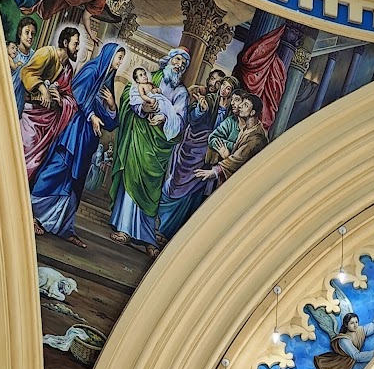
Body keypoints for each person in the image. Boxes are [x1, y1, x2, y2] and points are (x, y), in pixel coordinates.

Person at [29, 41, 125, 244]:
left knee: (75, 182)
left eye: (122, 58)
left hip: (88, 139)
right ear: (109, 55)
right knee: (57, 170)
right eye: (119, 56)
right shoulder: (91, 70)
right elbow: (78, 95)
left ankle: (63, 227)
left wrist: (111, 105)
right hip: (75, 131)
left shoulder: (107, 80)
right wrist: (91, 115)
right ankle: (31, 212)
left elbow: (111, 123)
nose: (120, 61)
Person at [109, 49, 190, 253]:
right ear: (169, 60)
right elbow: (129, 95)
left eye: (184, 64)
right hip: (139, 137)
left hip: (159, 146)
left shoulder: (181, 93)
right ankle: (125, 228)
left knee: (152, 189)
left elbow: (181, 121)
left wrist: (164, 118)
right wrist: (143, 109)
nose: (179, 65)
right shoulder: (149, 78)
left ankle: (147, 237)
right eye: (177, 59)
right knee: (133, 178)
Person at [157, 70, 235, 242]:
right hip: (194, 150)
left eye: (226, 87)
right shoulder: (208, 100)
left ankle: (173, 234)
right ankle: (161, 226)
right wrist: (201, 110)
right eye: (221, 85)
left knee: (194, 195)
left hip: (210, 157)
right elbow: (192, 118)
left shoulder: (232, 112)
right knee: (178, 185)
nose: (222, 89)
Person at [17, 25, 80, 182]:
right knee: (23, 152)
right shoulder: (47, 53)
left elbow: (69, 97)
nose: (78, 48)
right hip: (33, 116)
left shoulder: (68, 69)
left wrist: (62, 101)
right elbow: (27, 72)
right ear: (65, 43)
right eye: (75, 44)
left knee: (37, 162)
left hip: (49, 124)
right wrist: (42, 89)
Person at [195, 91, 267, 185]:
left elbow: (237, 159)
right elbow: (213, 137)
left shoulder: (256, 138)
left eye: (245, 105)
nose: (240, 106)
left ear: (252, 112)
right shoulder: (246, 128)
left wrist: (214, 171)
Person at [7, 17, 38, 116]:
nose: (30, 37)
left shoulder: (35, 57)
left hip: (18, 102)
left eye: (32, 34)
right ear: (20, 34)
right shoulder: (11, 50)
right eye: (27, 32)